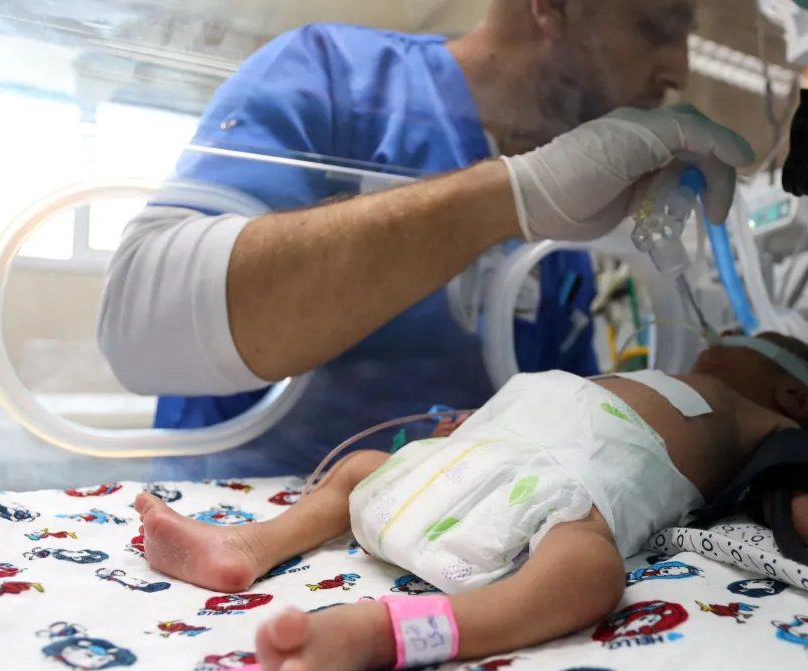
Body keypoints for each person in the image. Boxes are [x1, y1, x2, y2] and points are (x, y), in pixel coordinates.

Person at [97, 0, 752, 480]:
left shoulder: (574, 219)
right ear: (552, 7)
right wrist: (510, 196)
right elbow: (140, 333)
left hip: (440, 552)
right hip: (241, 537)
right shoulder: (332, 76)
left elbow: (562, 431)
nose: (679, 69)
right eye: (656, 26)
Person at [132, 334, 808, 671]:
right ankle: (246, 546)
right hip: (473, 462)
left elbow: (783, 490)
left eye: (747, 343)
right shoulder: (648, 377)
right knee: (361, 471)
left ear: (795, 396)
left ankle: (393, 633)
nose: (718, 341)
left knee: (587, 572)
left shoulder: (757, 416)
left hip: (566, 496)